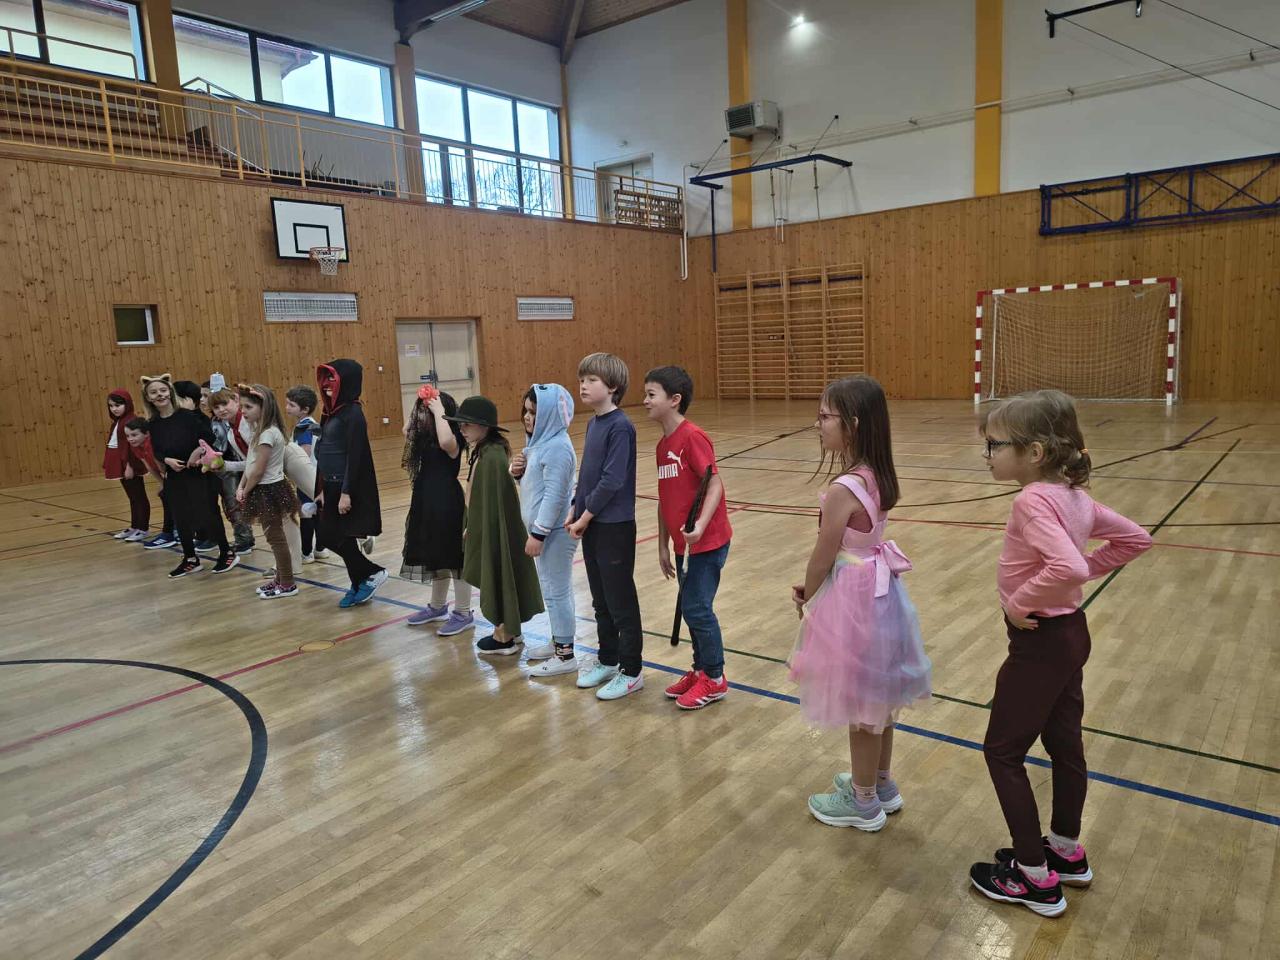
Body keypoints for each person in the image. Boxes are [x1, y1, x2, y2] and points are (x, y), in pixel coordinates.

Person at [969, 390, 1152, 918]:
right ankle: (1066, 851)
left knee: (1002, 752)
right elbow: (1136, 539)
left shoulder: (1031, 500)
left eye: (995, 445)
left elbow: (1068, 567)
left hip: (1041, 643)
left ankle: (1034, 876)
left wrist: (1018, 603)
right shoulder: (1074, 497)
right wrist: (1083, 571)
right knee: (1064, 745)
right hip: (1070, 635)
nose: (988, 455)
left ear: (1034, 453)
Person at [789, 375, 932, 832]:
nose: (818, 424)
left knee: (861, 701)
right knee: (880, 695)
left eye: (824, 416)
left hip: (854, 594)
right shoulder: (877, 474)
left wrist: (810, 597)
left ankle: (863, 801)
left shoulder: (843, 488)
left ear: (852, 424)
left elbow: (823, 554)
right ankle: (881, 783)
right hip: (881, 592)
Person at [644, 365, 733, 710]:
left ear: (674, 399)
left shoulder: (692, 437)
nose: (645, 400)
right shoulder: (662, 446)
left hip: (707, 543)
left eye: (651, 394)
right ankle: (700, 670)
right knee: (692, 609)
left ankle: (715, 678)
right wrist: (663, 545)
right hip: (683, 546)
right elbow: (665, 498)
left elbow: (714, 483)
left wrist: (700, 527)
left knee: (697, 608)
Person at [567, 353, 644, 701]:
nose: (583, 385)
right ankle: (608, 659)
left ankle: (632, 670)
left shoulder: (621, 427)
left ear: (612, 386)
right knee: (600, 600)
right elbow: (588, 475)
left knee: (620, 601)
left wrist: (585, 516)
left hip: (614, 526)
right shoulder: (594, 423)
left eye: (592, 380)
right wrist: (575, 507)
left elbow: (612, 480)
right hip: (593, 523)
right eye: (582, 379)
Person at [449, 396, 544, 654]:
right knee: (501, 571)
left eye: (467, 424)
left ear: (484, 426)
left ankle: (505, 635)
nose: (462, 429)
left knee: (500, 570)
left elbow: (494, 504)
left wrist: (478, 527)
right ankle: (510, 628)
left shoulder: (492, 456)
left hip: (495, 528)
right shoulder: (484, 451)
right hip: (485, 524)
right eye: (460, 424)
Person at [139, 374, 236, 578]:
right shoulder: (153, 423)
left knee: (208, 514)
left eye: (163, 390)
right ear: (148, 397)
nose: (159, 395)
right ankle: (190, 558)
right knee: (181, 518)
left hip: (199, 473)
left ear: (170, 392)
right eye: (154, 392)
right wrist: (167, 460)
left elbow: (210, 438)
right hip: (175, 475)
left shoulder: (188, 416)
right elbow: (157, 450)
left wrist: (197, 453)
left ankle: (227, 552)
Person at [512, 384, 579, 676]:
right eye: (526, 411)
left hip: (555, 533)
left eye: (535, 413)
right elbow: (536, 487)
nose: (528, 418)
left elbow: (554, 496)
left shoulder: (558, 447)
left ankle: (565, 656)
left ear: (551, 416)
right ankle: (558, 642)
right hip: (546, 531)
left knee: (556, 591)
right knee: (552, 588)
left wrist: (538, 534)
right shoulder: (540, 443)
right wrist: (518, 473)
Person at [401, 386, 476, 636]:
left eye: (428, 412)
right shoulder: (424, 437)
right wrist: (420, 405)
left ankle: (463, 612)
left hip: (446, 501)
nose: (424, 415)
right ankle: (437, 606)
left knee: (454, 558)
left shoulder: (453, 437)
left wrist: (438, 409)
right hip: (425, 499)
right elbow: (406, 430)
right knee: (436, 555)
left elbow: (445, 442)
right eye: (422, 412)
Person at [315, 359, 385, 607]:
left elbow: (356, 457)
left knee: (337, 535)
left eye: (332, 379)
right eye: (324, 379)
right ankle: (363, 577)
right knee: (329, 536)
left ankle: (367, 576)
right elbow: (325, 452)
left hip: (345, 487)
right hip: (330, 486)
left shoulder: (354, 414)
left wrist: (346, 492)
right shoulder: (330, 413)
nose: (326, 384)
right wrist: (322, 488)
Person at [235, 384, 301, 599]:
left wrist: (246, 490)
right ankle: (280, 579)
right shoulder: (260, 432)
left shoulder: (268, 434)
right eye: (242, 406)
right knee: (274, 537)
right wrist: (241, 485)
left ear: (264, 408)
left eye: (248, 407)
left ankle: (288, 583)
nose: (243, 411)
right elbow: (250, 464)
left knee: (276, 539)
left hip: (268, 490)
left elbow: (258, 470)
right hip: (263, 489)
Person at [284, 385, 327, 562]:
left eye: (291, 405)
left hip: (306, 477)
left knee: (306, 514)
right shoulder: (316, 425)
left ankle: (306, 552)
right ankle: (320, 549)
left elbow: (304, 452)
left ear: (305, 409)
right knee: (318, 512)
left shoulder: (303, 428)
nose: (287, 407)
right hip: (318, 475)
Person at [103, 389, 149, 541]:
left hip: (129, 464)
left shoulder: (130, 421)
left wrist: (130, 466)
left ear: (127, 404)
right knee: (132, 497)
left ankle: (143, 528)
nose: (114, 409)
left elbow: (132, 447)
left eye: (118, 405)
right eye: (111, 406)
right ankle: (135, 526)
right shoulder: (117, 422)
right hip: (120, 462)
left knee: (139, 496)